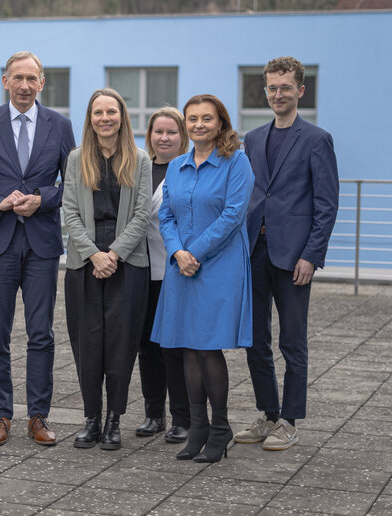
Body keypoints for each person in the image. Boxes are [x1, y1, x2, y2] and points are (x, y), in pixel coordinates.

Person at [0, 51, 75, 446]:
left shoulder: (60, 125)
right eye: (18, 78)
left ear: (42, 83)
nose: (25, 85)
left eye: (32, 78)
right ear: (5, 81)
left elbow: (72, 182)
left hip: (43, 242)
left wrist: (42, 199)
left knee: (40, 334)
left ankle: (38, 415)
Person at [235, 56, 339, 451]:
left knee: (292, 342)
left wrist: (312, 255)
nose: (278, 94)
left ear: (300, 90)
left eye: (285, 88)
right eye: (272, 88)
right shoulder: (254, 138)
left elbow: (326, 205)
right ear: (266, 91)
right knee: (254, 339)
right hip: (254, 252)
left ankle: (290, 421)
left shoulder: (316, 139)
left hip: (294, 257)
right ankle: (268, 414)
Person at [152, 94, 254, 463]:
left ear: (220, 122)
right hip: (182, 265)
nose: (198, 125)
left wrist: (195, 253)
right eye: (192, 119)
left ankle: (221, 427)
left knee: (208, 346)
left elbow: (232, 216)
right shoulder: (177, 165)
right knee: (186, 346)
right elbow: (166, 216)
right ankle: (198, 428)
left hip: (219, 265)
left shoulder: (236, 161)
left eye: (206, 119)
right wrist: (179, 252)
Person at [62, 89, 151, 450]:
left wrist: (112, 253)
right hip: (84, 262)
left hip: (127, 262)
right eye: (98, 112)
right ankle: (91, 418)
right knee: (87, 343)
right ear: (90, 118)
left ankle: (114, 419)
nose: (104, 118)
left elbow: (143, 214)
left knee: (121, 343)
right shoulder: (76, 158)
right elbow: (69, 212)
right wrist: (93, 255)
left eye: (111, 111)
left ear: (121, 116)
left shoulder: (140, 159)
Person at [136, 107, 190, 443]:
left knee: (175, 347)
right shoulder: (140, 168)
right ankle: (153, 413)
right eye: (159, 132)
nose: (165, 138)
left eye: (171, 132)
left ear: (182, 137)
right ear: (150, 135)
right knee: (147, 346)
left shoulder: (188, 170)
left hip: (178, 270)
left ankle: (182, 418)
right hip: (142, 271)